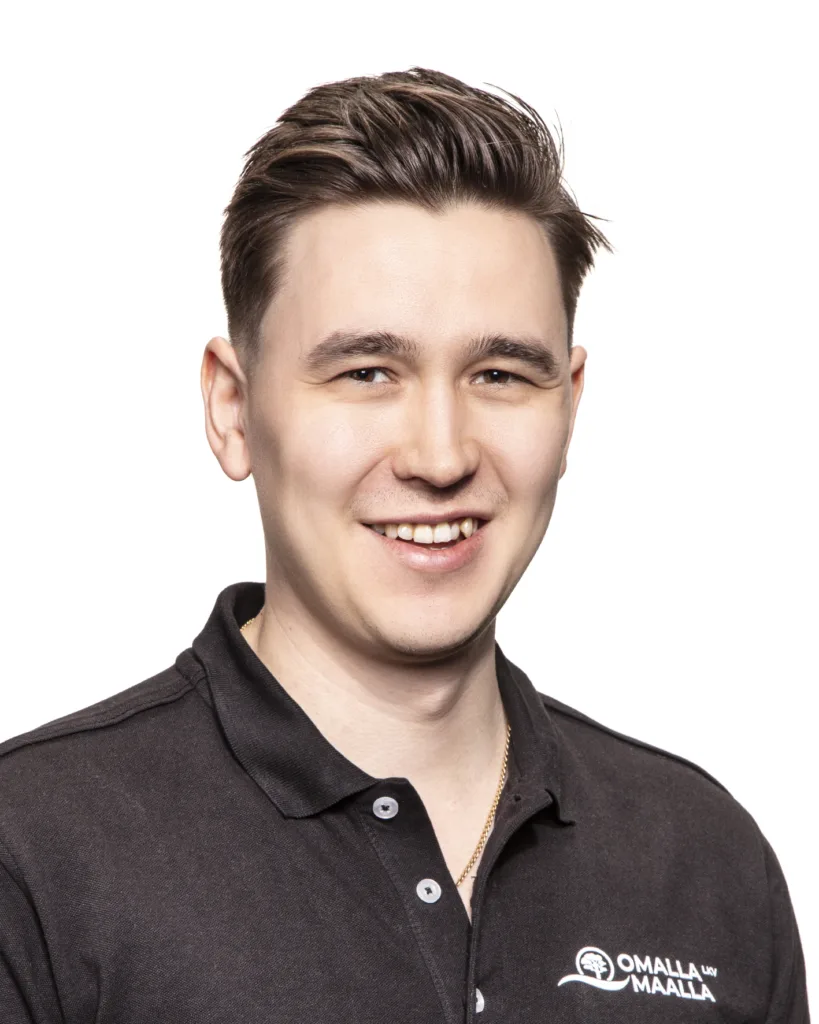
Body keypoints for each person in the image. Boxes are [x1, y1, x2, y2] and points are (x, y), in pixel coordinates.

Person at [0, 67, 809, 1023]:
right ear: (233, 408)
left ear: (569, 408)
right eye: (367, 371)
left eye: (500, 374)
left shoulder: (706, 860)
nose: (440, 456)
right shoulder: (33, 855)